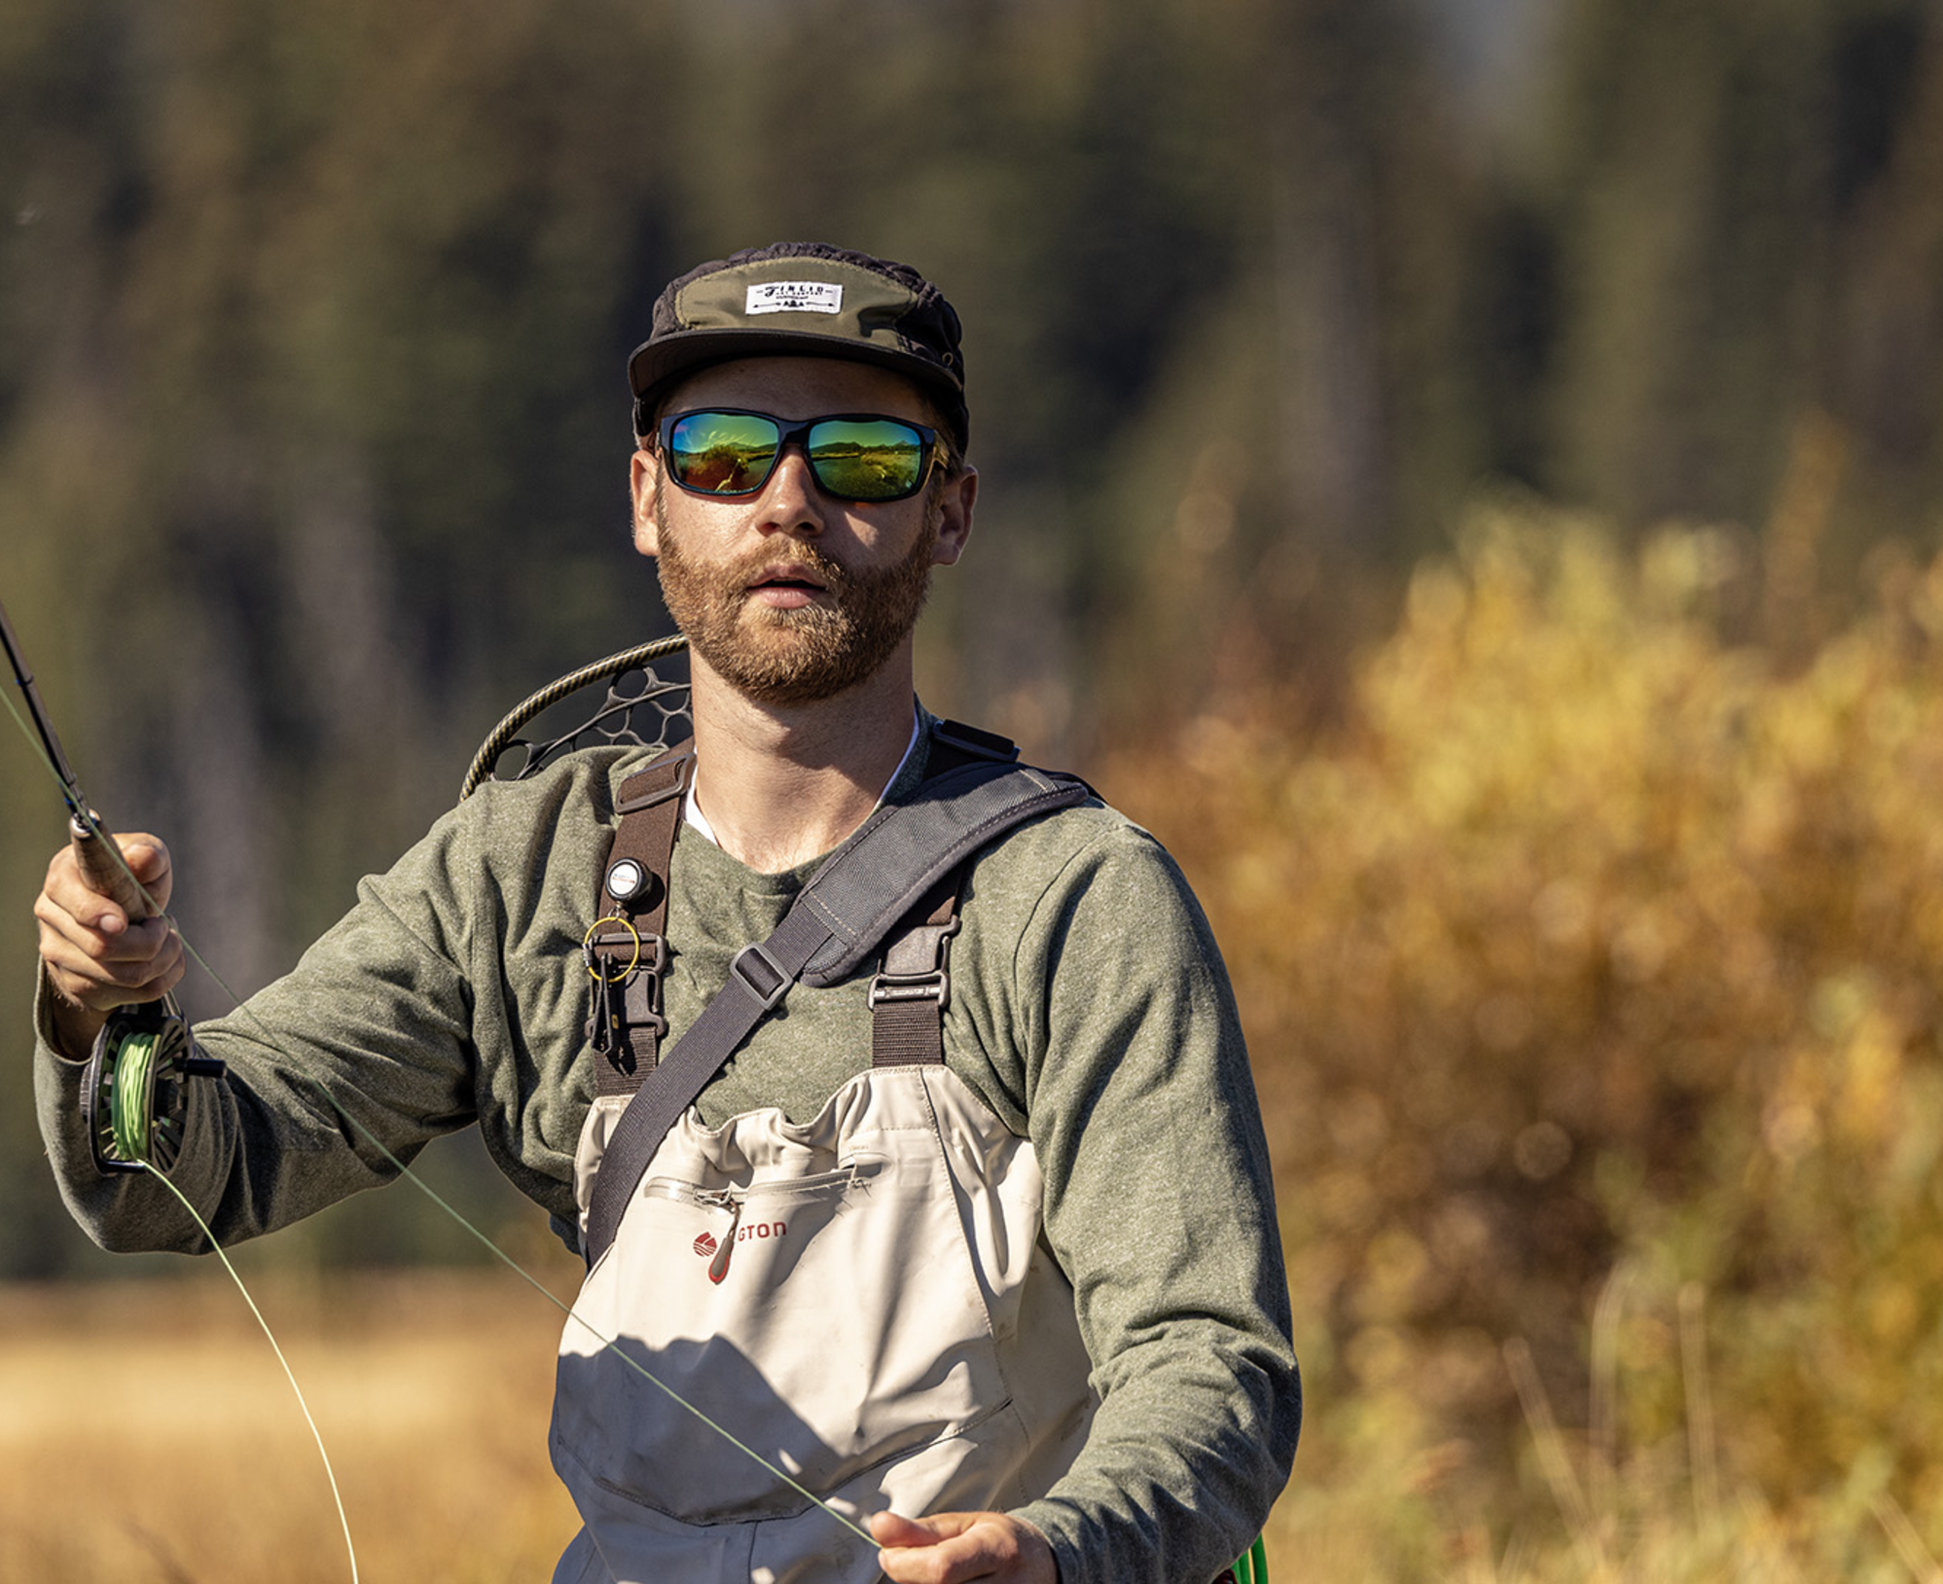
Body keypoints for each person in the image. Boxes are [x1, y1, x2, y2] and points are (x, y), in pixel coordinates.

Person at [33, 242, 1301, 1583]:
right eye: (722, 453)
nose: (790, 501)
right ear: (647, 497)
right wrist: (94, 1003)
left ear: (952, 509)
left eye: (864, 456)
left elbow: (1210, 1363)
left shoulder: (1073, 898)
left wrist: (1054, 1549)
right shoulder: (518, 873)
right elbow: (172, 1165)